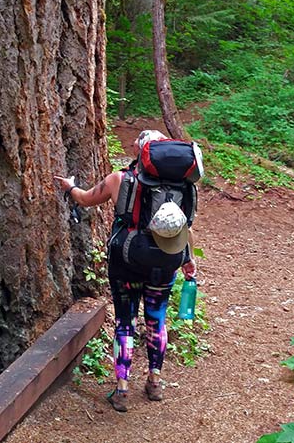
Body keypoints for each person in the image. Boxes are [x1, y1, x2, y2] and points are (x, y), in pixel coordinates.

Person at [55, 129, 197, 412]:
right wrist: (188, 259)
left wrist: (69, 187)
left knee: (125, 322)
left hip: (126, 260)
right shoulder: (184, 187)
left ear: (141, 152)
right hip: (165, 261)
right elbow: (185, 227)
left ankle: (121, 388)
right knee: (157, 320)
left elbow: (83, 199)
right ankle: (155, 381)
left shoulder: (119, 179)